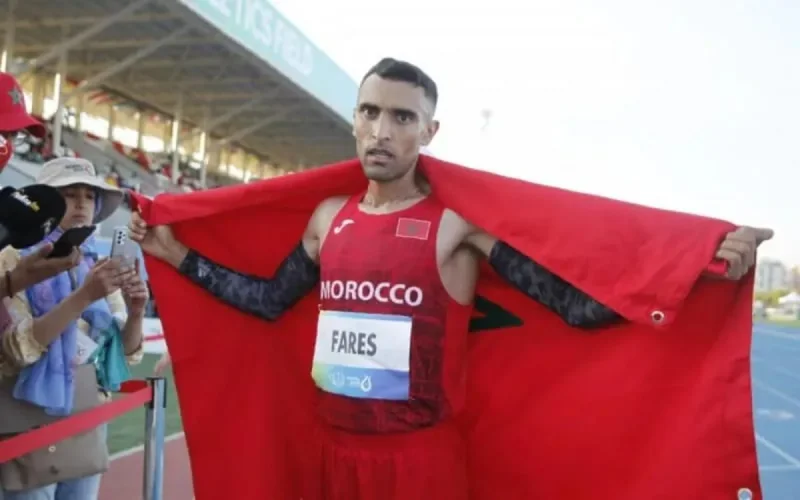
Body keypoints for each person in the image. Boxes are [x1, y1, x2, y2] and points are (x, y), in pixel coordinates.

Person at [129, 58, 772, 499]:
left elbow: (573, 304)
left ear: (428, 132)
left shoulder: (454, 226)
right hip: (334, 454)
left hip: (419, 464)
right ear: (354, 119)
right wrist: (176, 253)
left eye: (403, 118)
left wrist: (693, 264)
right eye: (371, 112)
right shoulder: (329, 220)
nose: (382, 130)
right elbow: (269, 302)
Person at [0, 157, 148, 500]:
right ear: (45, 204)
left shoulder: (95, 263)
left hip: (85, 418)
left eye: (89, 195)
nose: (82, 203)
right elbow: (16, 350)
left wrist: (137, 311)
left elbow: (122, 357)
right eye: (69, 194)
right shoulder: (11, 259)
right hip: (28, 417)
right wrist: (84, 297)